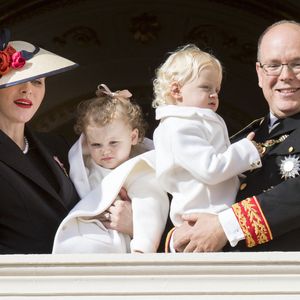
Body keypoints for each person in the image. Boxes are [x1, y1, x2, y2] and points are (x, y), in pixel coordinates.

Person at [171, 20, 300, 252]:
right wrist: (166, 235)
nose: (286, 75)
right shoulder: (240, 139)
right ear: (260, 74)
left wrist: (227, 225)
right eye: (273, 65)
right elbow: (190, 196)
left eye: (297, 64)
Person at [151, 44, 262, 252]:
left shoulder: (195, 122)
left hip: (218, 218)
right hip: (200, 219)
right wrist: (249, 150)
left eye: (216, 90)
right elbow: (211, 169)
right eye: (206, 87)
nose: (214, 95)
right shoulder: (178, 127)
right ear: (176, 90)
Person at [52, 84, 169, 254]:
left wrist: (143, 245)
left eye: (114, 142)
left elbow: (150, 207)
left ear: (133, 137)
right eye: (96, 144)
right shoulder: (82, 168)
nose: (105, 150)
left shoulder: (140, 169)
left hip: (123, 247)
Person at [0, 28, 81, 254]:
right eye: (16, 80)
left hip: (75, 278)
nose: (27, 90)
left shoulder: (57, 145)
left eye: (37, 82)